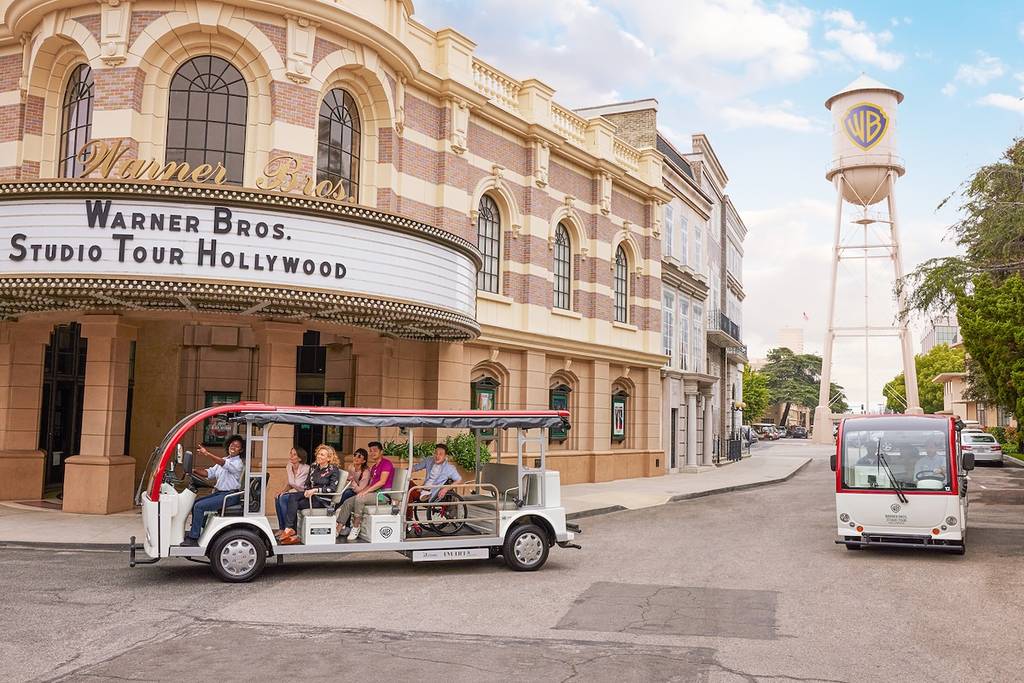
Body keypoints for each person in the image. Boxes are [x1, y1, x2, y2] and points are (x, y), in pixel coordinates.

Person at [182, 435, 245, 546]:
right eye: (232, 444)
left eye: (237, 446)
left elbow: (223, 464)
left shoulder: (237, 463)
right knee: (196, 503)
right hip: (220, 493)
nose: (233, 447)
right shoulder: (226, 459)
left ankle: (194, 538)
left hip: (230, 496)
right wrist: (193, 470)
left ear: (241, 450)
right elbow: (209, 473)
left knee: (199, 507)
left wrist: (207, 453)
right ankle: (198, 531)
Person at [277, 444, 341, 544]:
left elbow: (332, 488)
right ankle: (290, 530)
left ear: (329, 458)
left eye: (322, 455)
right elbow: (307, 483)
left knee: (293, 500)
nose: (319, 456)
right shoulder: (314, 467)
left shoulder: (333, 470)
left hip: (322, 500)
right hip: (311, 496)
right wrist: (307, 490)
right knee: (291, 498)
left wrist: (314, 491)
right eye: (319, 454)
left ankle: (291, 531)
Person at [335, 440, 394, 541]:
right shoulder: (374, 467)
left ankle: (356, 526)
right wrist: (364, 490)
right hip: (374, 493)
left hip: (383, 495)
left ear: (381, 452)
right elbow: (370, 484)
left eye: (375, 450)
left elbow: (382, 482)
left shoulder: (386, 463)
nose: (372, 453)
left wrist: (365, 492)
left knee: (360, 498)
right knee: (348, 501)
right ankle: (338, 528)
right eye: (370, 451)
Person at [273, 446, 309, 534]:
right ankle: (282, 528)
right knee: (278, 497)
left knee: (284, 499)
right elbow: (290, 483)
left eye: (294, 455)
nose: (291, 456)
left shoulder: (307, 469)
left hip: (305, 495)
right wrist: (283, 491)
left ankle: (290, 528)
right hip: (296, 495)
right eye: (291, 454)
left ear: (300, 458)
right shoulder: (289, 466)